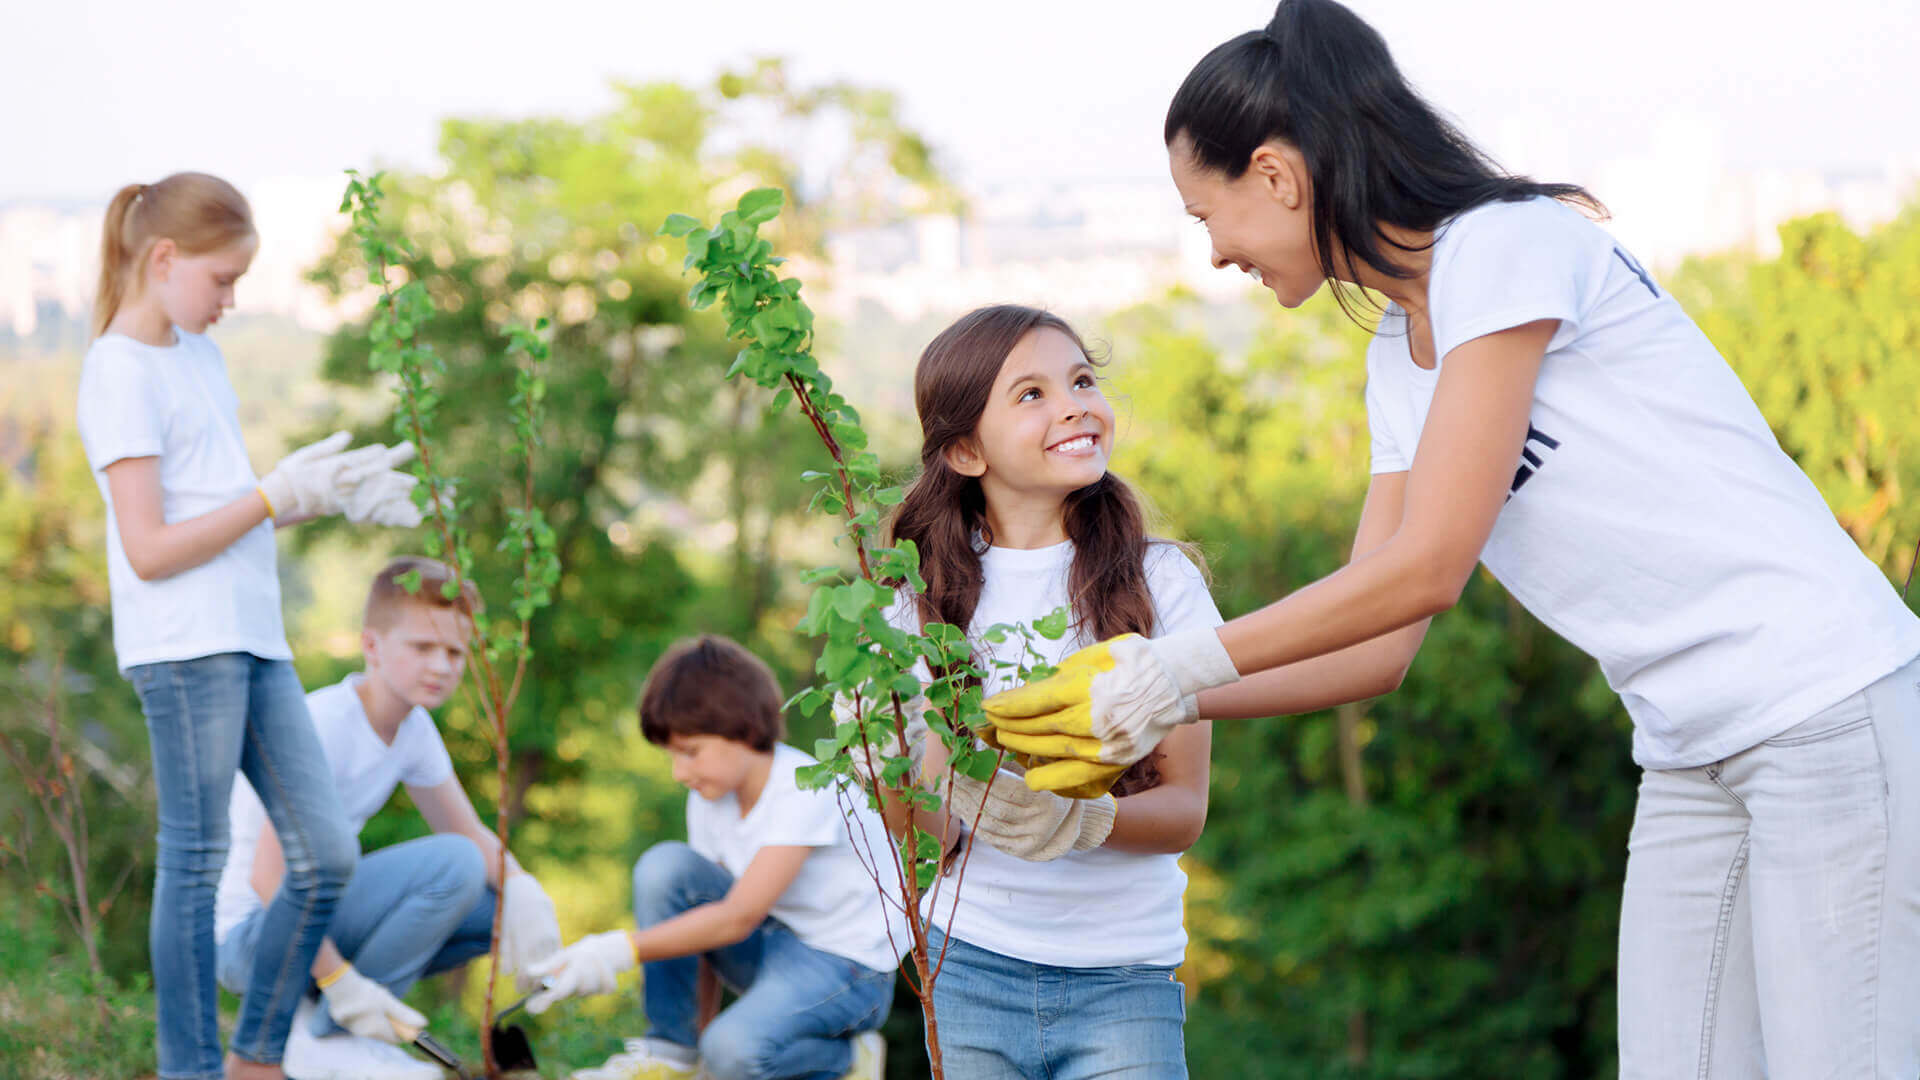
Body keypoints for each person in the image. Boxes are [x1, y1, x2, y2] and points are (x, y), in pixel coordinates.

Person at [982, 3, 1920, 1077]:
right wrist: (1149, 705)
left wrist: (1166, 668)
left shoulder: (1507, 246)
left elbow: (1427, 569)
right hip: (1686, 745)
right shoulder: (1397, 351)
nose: (1216, 252)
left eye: (1209, 215)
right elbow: (1376, 641)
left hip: (1825, 707)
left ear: (1276, 175)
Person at [76, 172, 427, 1080]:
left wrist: (323, 497)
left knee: (325, 854)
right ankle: (191, 1069)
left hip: (254, 636)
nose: (231, 300)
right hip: (183, 647)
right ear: (164, 258)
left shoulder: (198, 354)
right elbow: (150, 549)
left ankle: (254, 1057)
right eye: (223, 279)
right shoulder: (118, 370)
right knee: (196, 863)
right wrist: (274, 494)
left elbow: (230, 515)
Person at [878, 304, 1222, 1078]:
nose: (1073, 406)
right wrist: (883, 763)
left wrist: (1078, 820)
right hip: (968, 966)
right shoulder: (917, 601)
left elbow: (1183, 812)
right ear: (965, 450)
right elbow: (932, 834)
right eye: (1032, 394)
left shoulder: (1162, 582)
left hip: (1123, 979)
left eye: (1082, 381)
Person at [212, 556, 564, 1079]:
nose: (441, 666)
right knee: (455, 865)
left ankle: (316, 1027)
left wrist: (525, 893)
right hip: (250, 937)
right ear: (372, 646)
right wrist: (341, 982)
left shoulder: (413, 730)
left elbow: (468, 829)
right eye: (422, 647)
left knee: (494, 907)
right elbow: (268, 878)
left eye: (455, 652)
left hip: (310, 925)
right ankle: (334, 1039)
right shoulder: (326, 724)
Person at [528, 634, 900, 1080]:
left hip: (847, 971)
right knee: (665, 868)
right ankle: (671, 1053)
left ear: (741, 729)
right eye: (672, 755)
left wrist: (615, 950)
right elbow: (702, 924)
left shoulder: (804, 787)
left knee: (731, 1052)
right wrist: (694, 1047)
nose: (678, 772)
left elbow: (737, 918)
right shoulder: (709, 796)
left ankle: (849, 1059)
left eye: (690, 752)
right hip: (770, 948)